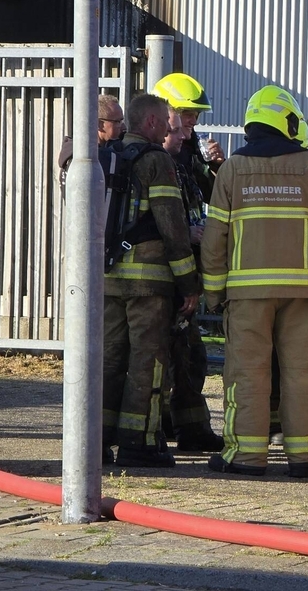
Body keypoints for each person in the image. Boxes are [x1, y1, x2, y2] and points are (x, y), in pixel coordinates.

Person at [200, 85, 308, 478]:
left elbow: (216, 237)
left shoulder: (231, 169)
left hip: (247, 294)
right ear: (286, 122)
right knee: (304, 373)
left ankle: (246, 457)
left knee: (248, 373)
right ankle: (306, 459)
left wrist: (213, 292)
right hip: (303, 293)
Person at [102, 93, 201, 469]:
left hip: (110, 279)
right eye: (163, 120)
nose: (166, 128)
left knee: (110, 360)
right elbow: (173, 227)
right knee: (149, 361)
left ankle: (96, 441)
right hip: (149, 284)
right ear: (151, 123)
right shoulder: (157, 161)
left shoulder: (111, 155)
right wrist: (188, 283)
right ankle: (138, 442)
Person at [159, 107, 224, 452]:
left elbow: (215, 196)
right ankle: (171, 430)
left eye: (195, 118)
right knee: (172, 359)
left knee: (187, 357)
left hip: (182, 275)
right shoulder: (155, 163)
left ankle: (179, 427)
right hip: (164, 278)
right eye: (186, 116)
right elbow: (160, 223)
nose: (191, 127)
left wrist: (216, 167)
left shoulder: (189, 158)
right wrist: (188, 234)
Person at [152, 72, 225, 201]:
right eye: (188, 114)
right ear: (165, 113)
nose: (194, 121)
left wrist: (216, 166)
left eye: (196, 115)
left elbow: (215, 197)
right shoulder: (149, 155)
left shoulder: (191, 152)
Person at [57, 93, 125, 191]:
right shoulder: (82, 159)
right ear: (99, 124)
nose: (123, 127)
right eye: (118, 122)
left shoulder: (76, 153)